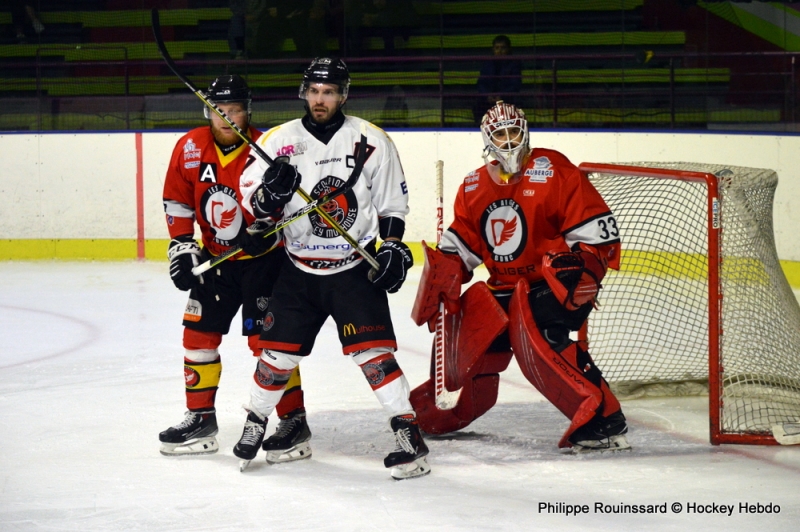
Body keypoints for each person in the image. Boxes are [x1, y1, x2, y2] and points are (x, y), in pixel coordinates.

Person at [235, 57, 429, 479]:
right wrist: (270, 195)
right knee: (275, 357)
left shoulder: (371, 140)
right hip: (298, 269)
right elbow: (254, 207)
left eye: (329, 92)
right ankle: (255, 423)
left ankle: (408, 433)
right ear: (303, 92)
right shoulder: (277, 141)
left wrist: (392, 246)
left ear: (343, 95)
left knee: (374, 356)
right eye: (314, 91)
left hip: (353, 268)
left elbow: (392, 205)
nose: (320, 100)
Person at [409, 101, 630, 453]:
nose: (509, 140)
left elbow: (595, 231)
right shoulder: (472, 186)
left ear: (525, 132)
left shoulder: (554, 170)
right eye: (500, 133)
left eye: (514, 131)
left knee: (537, 337)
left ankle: (605, 418)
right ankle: (442, 412)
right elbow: (463, 242)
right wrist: (446, 270)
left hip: (549, 288)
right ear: (488, 139)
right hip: (503, 288)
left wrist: (584, 267)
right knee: (468, 334)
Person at [159, 74, 313, 463]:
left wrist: (264, 230)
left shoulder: (265, 150)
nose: (226, 118)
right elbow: (177, 201)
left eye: (234, 111)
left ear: (248, 111)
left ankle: (293, 421)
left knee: (268, 346)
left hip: (264, 264)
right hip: (214, 262)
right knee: (197, 338)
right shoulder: (190, 146)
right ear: (207, 110)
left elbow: (287, 207)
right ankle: (200, 418)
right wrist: (181, 245)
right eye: (218, 111)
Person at [474, 35, 522, 123]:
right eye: (497, 48)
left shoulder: (514, 64)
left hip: (507, 100)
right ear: (493, 50)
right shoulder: (487, 64)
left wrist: (501, 96)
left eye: (503, 48)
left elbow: (515, 85)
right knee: (477, 104)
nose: (499, 51)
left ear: (508, 49)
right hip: (488, 100)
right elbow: (481, 83)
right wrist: (488, 95)